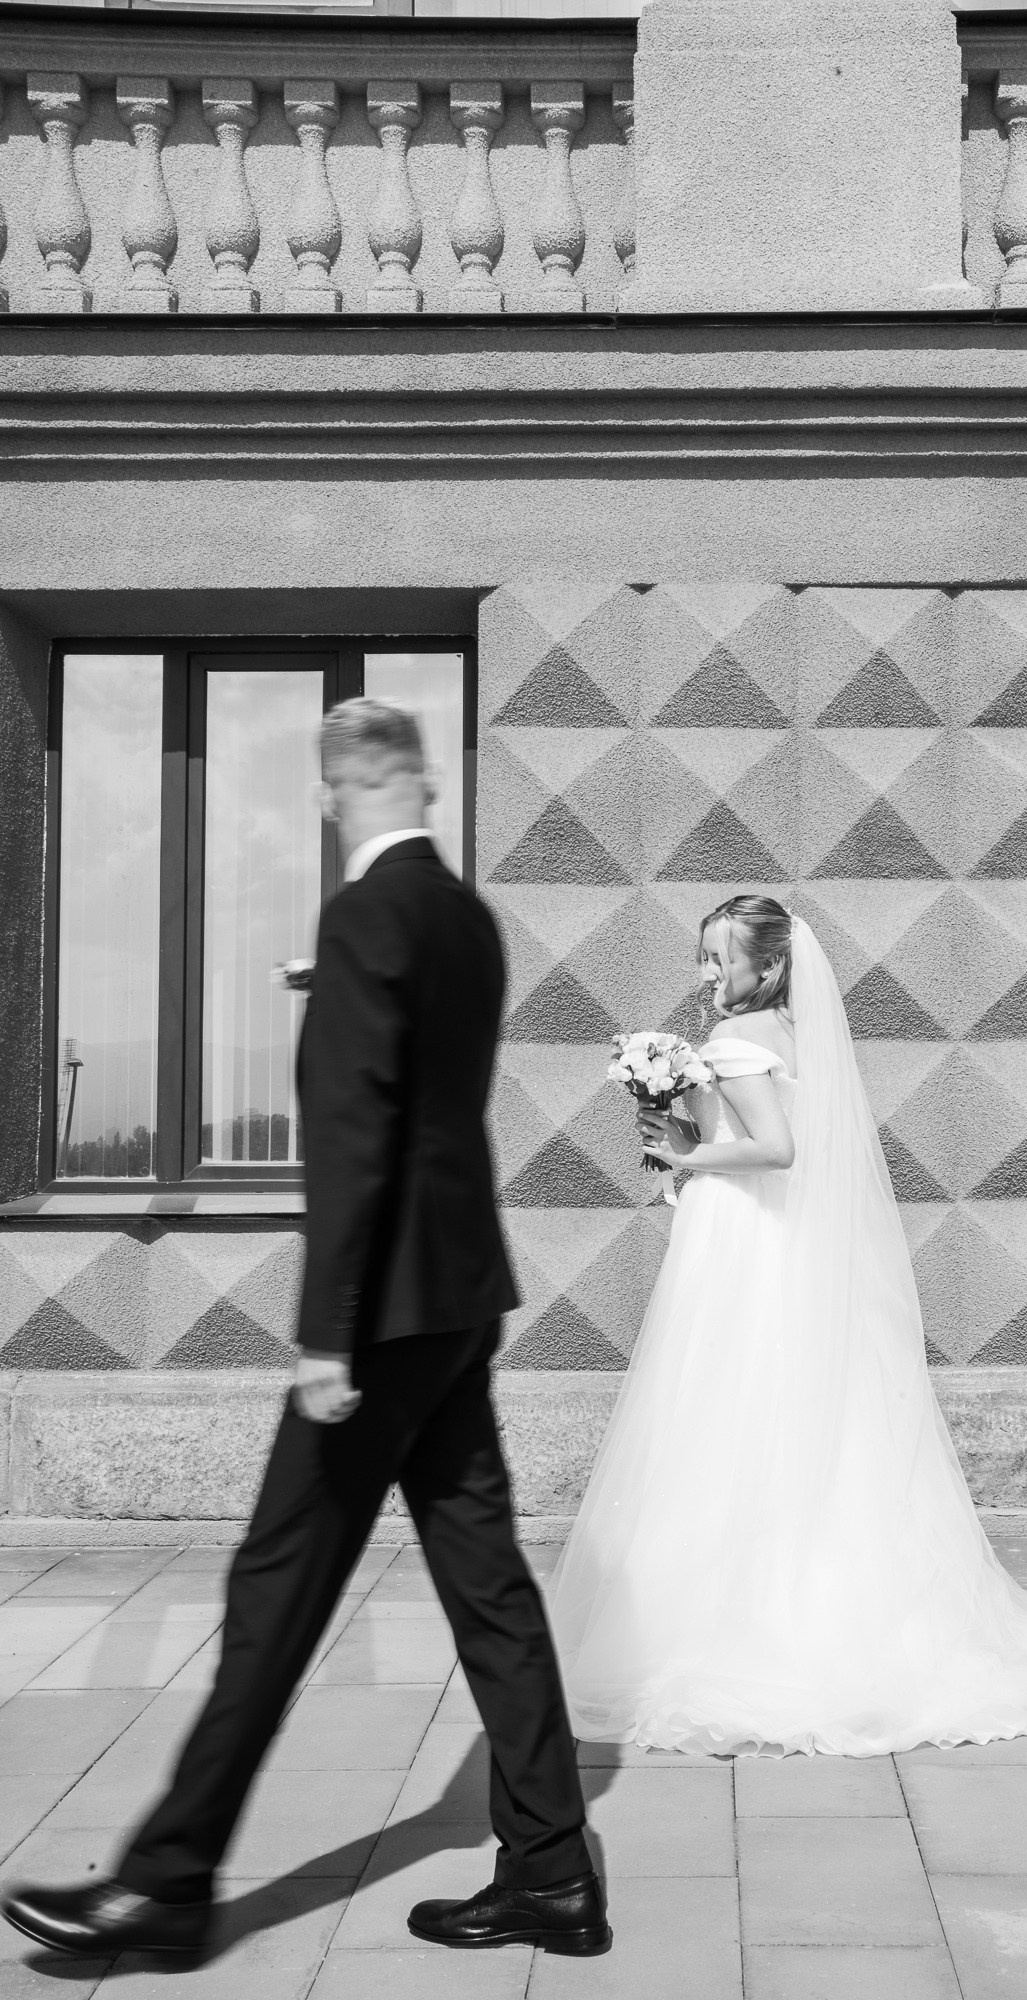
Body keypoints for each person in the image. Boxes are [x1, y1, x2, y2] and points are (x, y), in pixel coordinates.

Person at [2, 698, 610, 1961]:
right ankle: (552, 1870)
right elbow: (427, 1087)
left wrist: (326, 1335)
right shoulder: (462, 916)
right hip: (457, 1298)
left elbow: (353, 1135)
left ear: (338, 791)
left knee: (275, 1587)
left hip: (377, 1320)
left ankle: (165, 1887)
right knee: (489, 1587)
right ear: (420, 781)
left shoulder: (363, 915)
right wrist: (329, 993)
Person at [549, 894, 1027, 1756]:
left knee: (729, 1409)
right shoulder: (792, 1037)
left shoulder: (736, 1037)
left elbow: (774, 1150)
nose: (706, 972)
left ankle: (740, 1619)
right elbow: (763, 1131)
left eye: (720, 957)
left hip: (744, 1243)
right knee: (806, 1417)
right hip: (780, 1240)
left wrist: (683, 1152)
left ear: (769, 965)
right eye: (704, 955)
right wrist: (681, 1122)